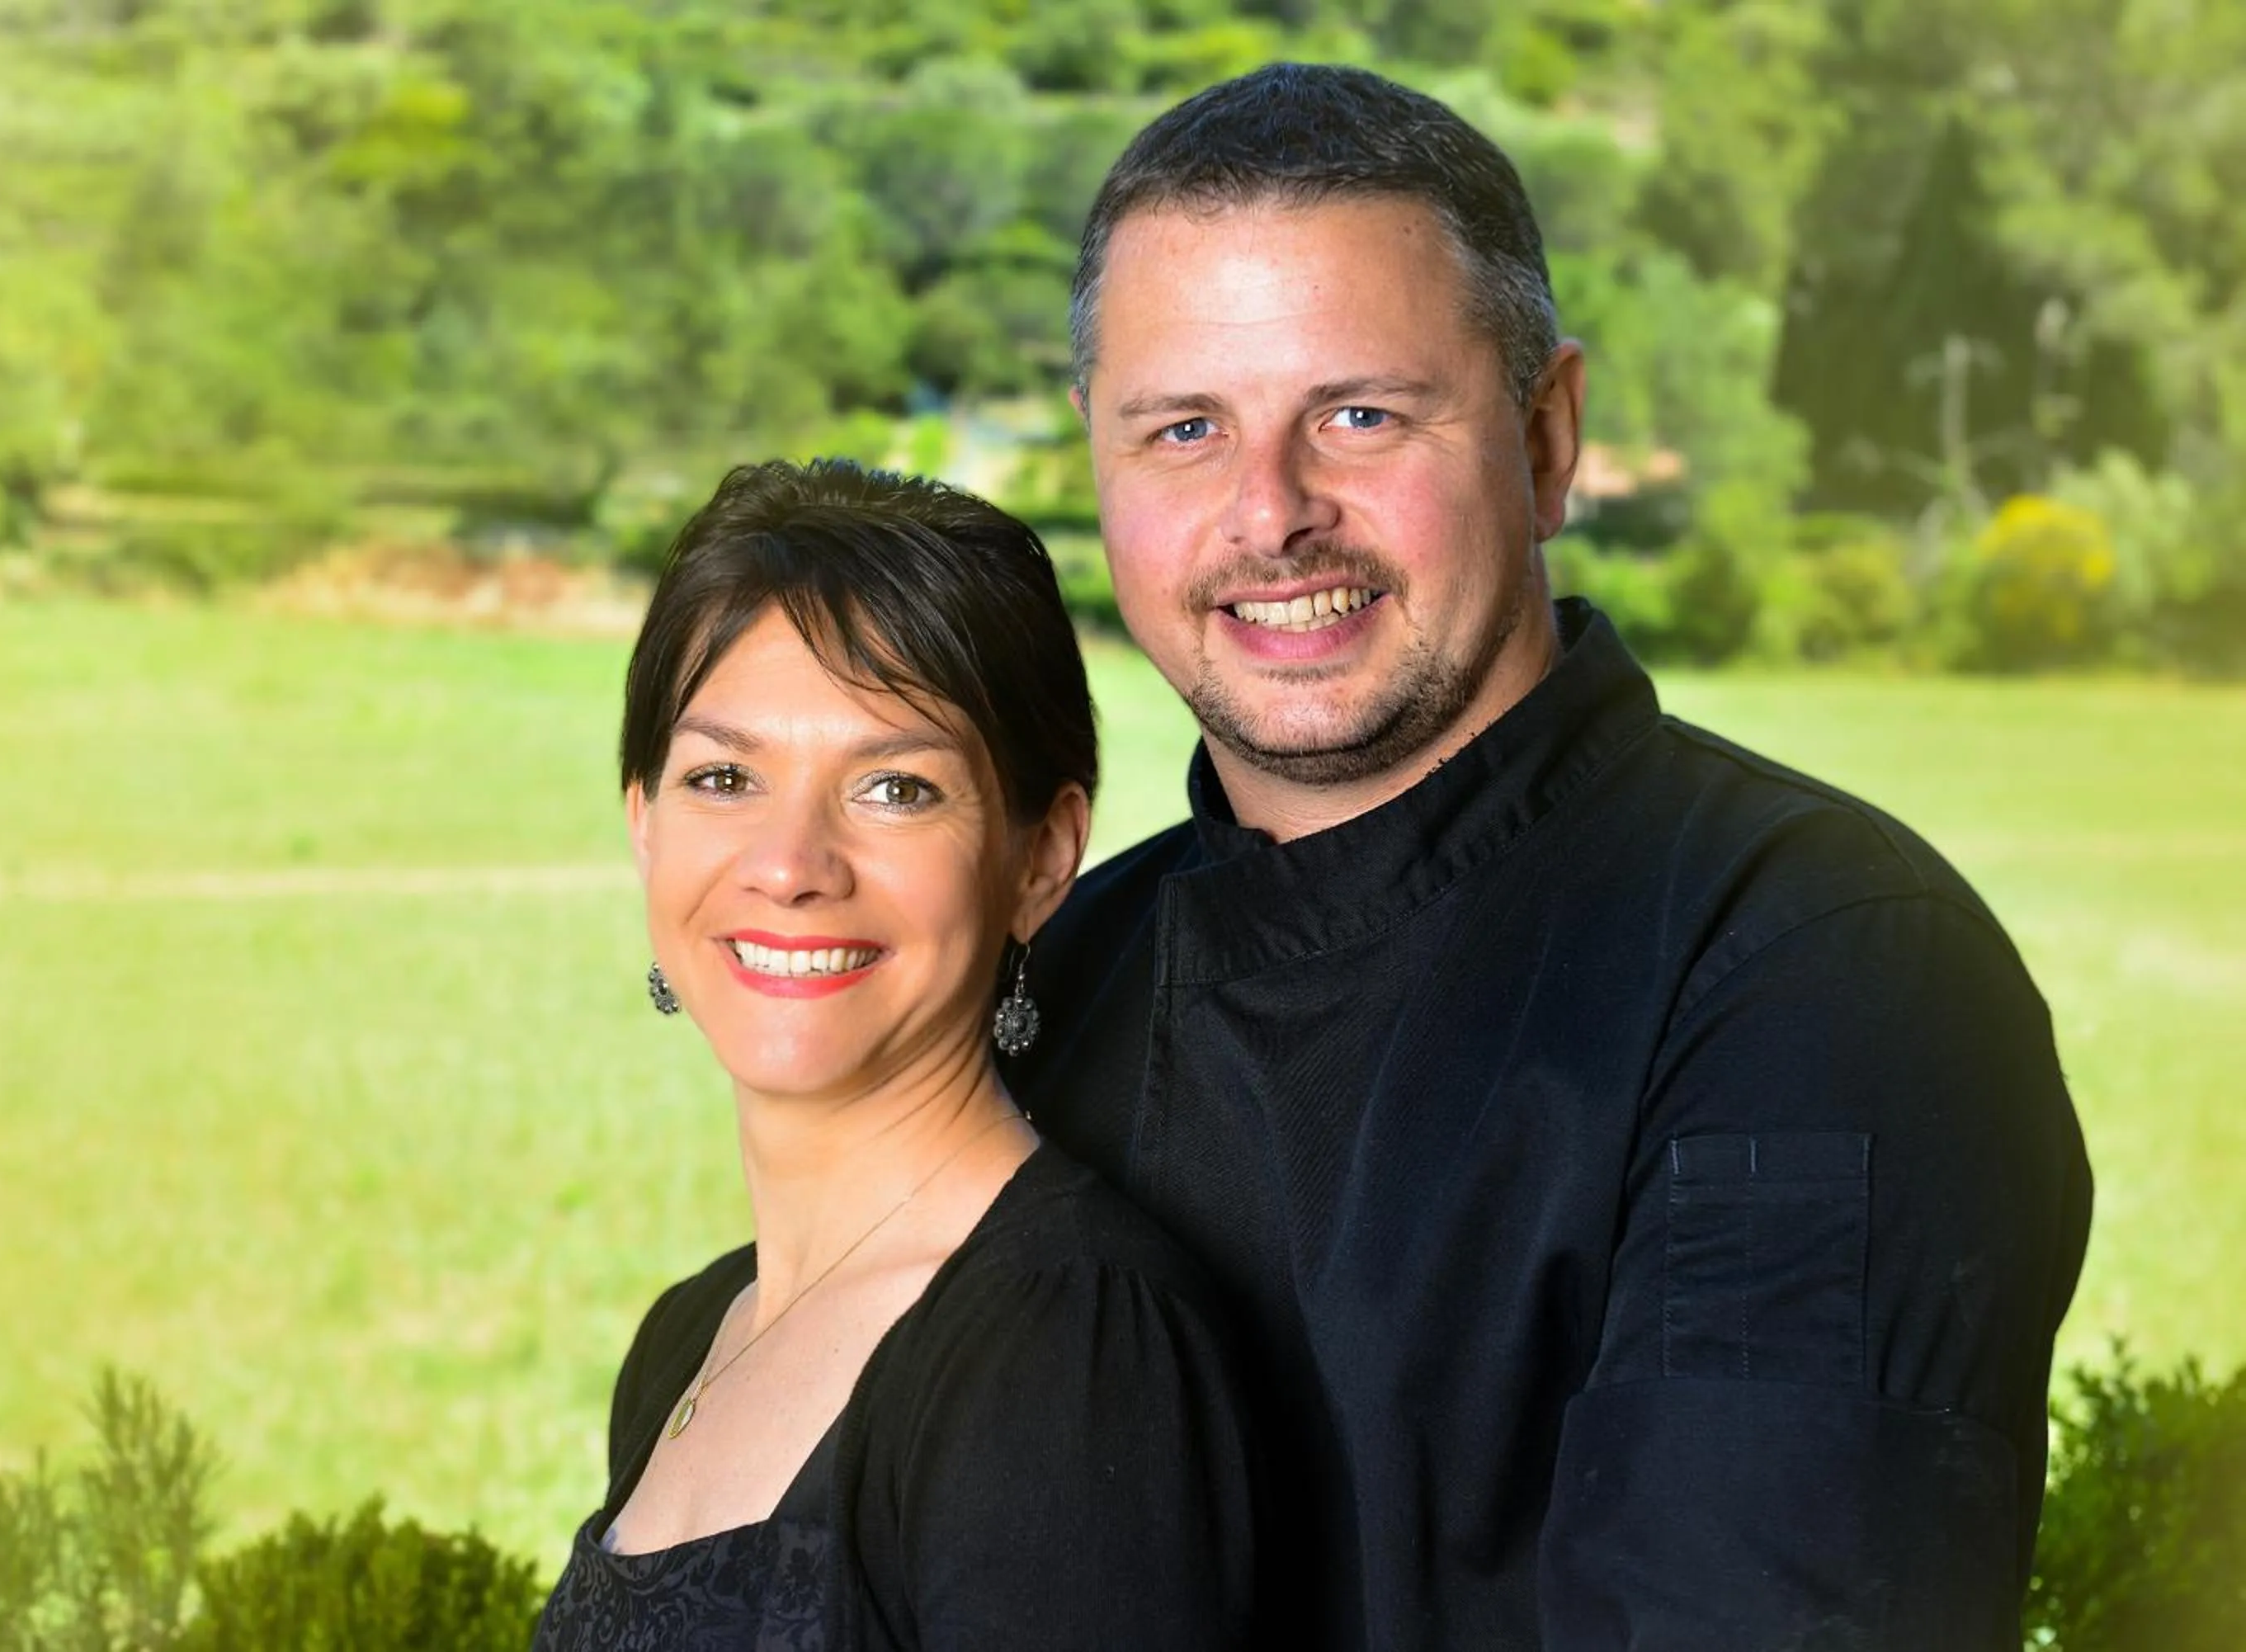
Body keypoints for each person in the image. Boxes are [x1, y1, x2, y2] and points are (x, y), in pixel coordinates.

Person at [1004, 62, 2093, 1650]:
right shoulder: (1052, 980)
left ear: (1547, 435)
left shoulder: (1823, 969)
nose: (1271, 514)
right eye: (1184, 429)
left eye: (1360, 416)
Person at [533, 458, 1259, 1651]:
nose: (790, 865)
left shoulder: (1066, 1351)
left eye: (894, 788)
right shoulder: (690, 1335)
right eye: (725, 776)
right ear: (645, 823)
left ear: (1042, 856)